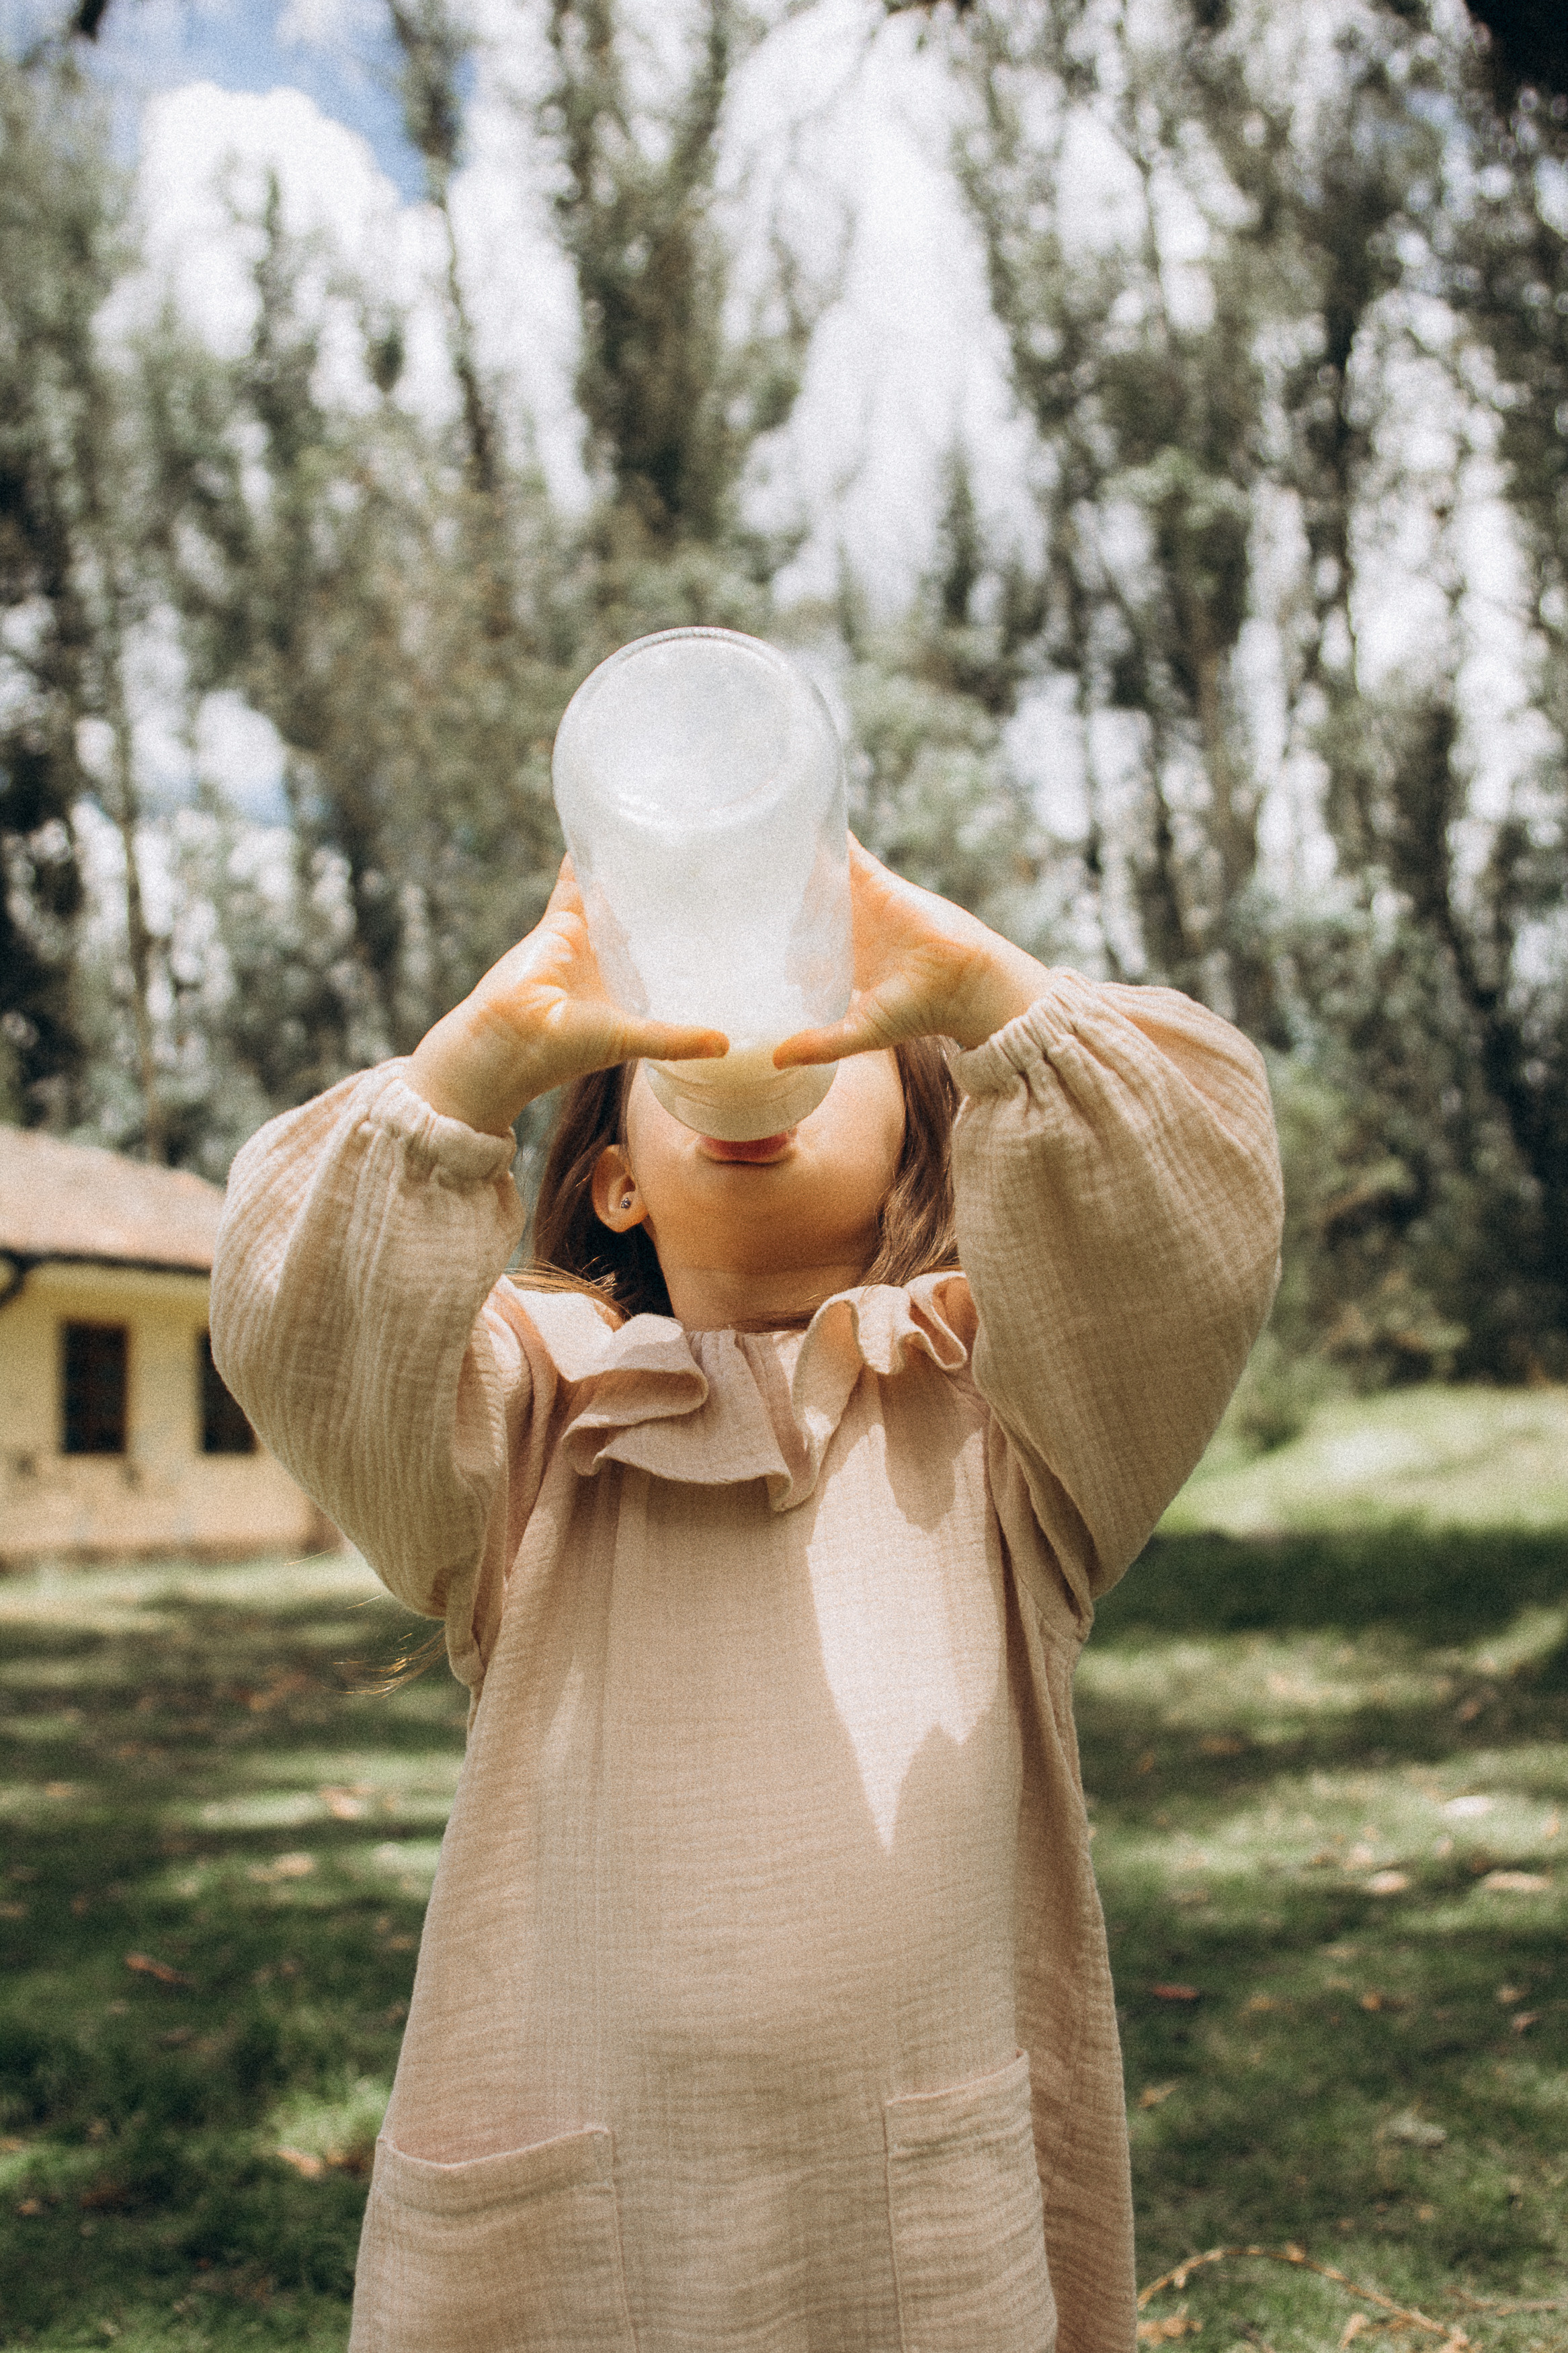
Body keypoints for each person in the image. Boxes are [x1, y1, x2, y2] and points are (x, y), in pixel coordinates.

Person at [211, 839, 1283, 2353]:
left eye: (825, 1030)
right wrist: (481, 1059)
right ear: (615, 1182)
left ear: (928, 1152)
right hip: (590, 2236)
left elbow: (1180, 1221)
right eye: (677, 1038)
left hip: (915, 2238)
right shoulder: (534, 1426)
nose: (750, 1049)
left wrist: (976, 983)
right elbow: (303, 1321)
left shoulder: (1005, 1419)